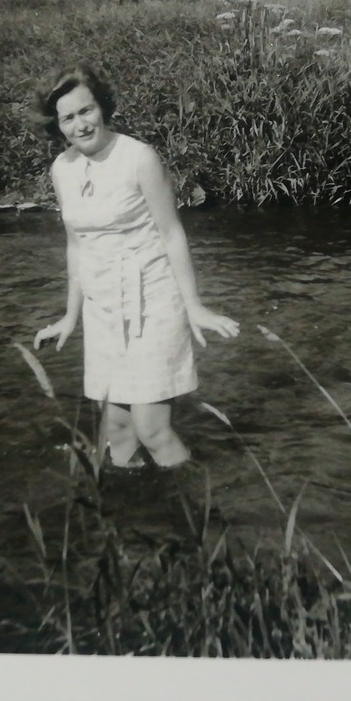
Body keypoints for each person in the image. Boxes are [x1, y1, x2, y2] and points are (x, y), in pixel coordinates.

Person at [33, 64, 238, 469]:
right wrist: (70, 316)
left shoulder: (139, 158)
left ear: (102, 108)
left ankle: (202, 512)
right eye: (68, 118)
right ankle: (134, 519)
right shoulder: (63, 169)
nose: (81, 124)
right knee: (117, 434)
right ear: (57, 126)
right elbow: (77, 245)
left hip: (153, 300)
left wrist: (194, 306)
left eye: (86, 111)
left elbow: (172, 234)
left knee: (152, 430)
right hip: (102, 308)